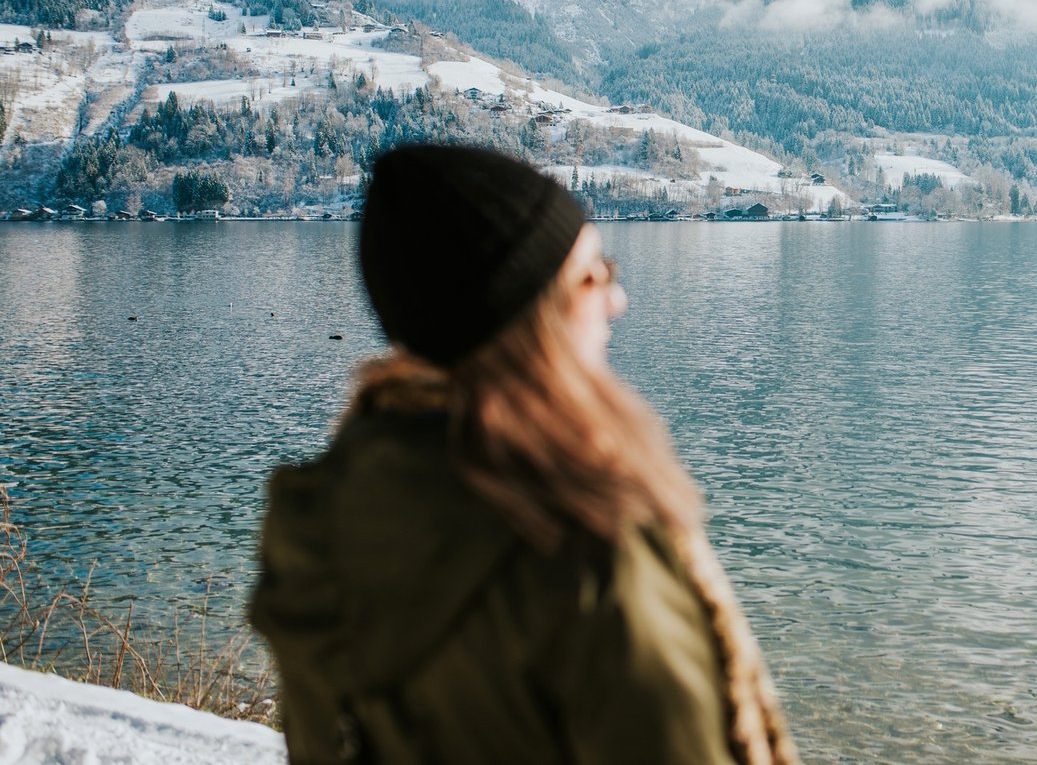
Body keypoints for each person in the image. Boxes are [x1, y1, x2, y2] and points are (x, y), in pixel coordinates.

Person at [249, 143, 799, 765]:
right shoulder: (587, 547)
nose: (617, 300)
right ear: (532, 320)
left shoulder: (321, 531)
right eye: (593, 275)